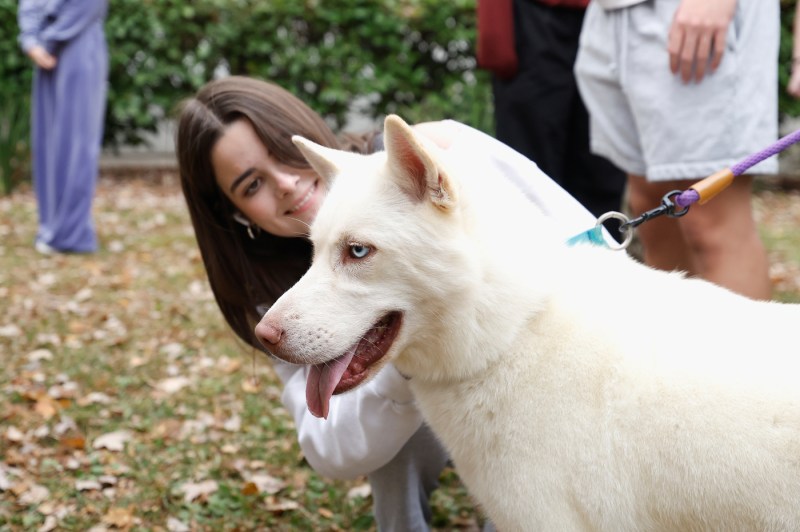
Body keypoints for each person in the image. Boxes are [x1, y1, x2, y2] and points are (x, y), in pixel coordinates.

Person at [174, 75, 599, 531]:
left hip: (531, 372)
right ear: (237, 213)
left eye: (286, 153)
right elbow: (330, 447)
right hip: (411, 414)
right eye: (251, 184)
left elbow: (592, 245)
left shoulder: (434, 154)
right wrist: (399, 356)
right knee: (391, 398)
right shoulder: (268, 291)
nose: (285, 184)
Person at [574, 0, 777, 300]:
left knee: (711, 224)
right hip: (611, 14)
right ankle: (680, 346)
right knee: (650, 203)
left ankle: (748, 348)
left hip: (696, 14)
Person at [477, 0, 627, 221]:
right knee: (529, 177)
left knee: (602, 172)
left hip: (610, 15)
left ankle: (602, 251)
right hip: (533, 22)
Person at [17, 0, 109, 254]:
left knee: (78, 142)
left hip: (79, 48)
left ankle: (71, 232)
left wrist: (43, 41)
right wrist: (31, 42)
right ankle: (50, 226)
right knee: (49, 141)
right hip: (47, 54)